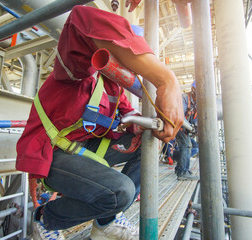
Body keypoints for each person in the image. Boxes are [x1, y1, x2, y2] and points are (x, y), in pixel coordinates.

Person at [16, 5, 183, 240]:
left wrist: (142, 125)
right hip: (54, 156)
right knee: (120, 192)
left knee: (148, 142)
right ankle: (46, 218)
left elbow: (128, 114)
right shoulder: (75, 71)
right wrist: (165, 78)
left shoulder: (112, 86)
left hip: (86, 151)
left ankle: (106, 222)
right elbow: (79, 17)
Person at [174, 89, 198, 180]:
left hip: (185, 128)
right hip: (179, 125)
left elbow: (195, 117)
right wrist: (190, 127)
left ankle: (180, 169)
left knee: (187, 146)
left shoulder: (195, 102)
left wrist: (195, 127)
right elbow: (180, 116)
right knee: (186, 146)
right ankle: (182, 172)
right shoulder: (184, 98)